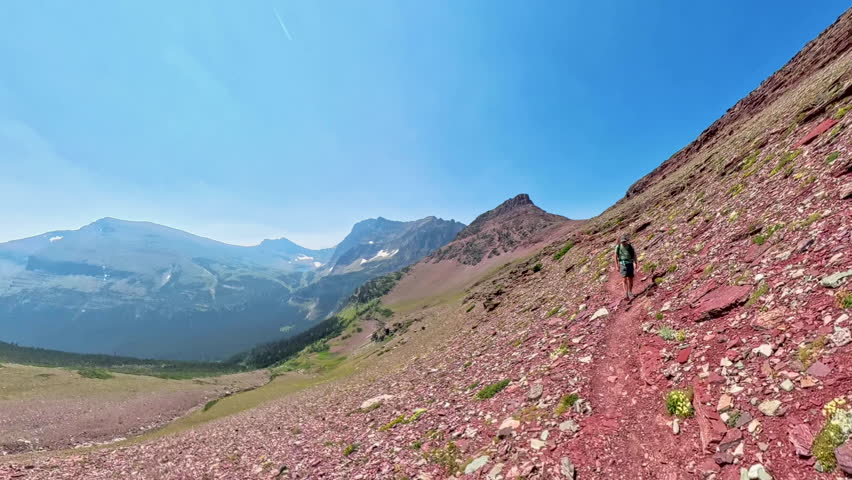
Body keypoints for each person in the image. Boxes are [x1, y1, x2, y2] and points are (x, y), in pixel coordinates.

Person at [614, 235, 638, 300]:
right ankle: (626, 294)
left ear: (626, 241)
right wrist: (617, 266)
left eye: (624, 241)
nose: (623, 243)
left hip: (630, 263)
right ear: (620, 242)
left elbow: (634, 255)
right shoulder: (618, 247)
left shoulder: (630, 246)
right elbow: (615, 257)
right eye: (622, 242)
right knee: (624, 279)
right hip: (623, 264)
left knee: (630, 279)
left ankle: (630, 292)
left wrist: (635, 263)